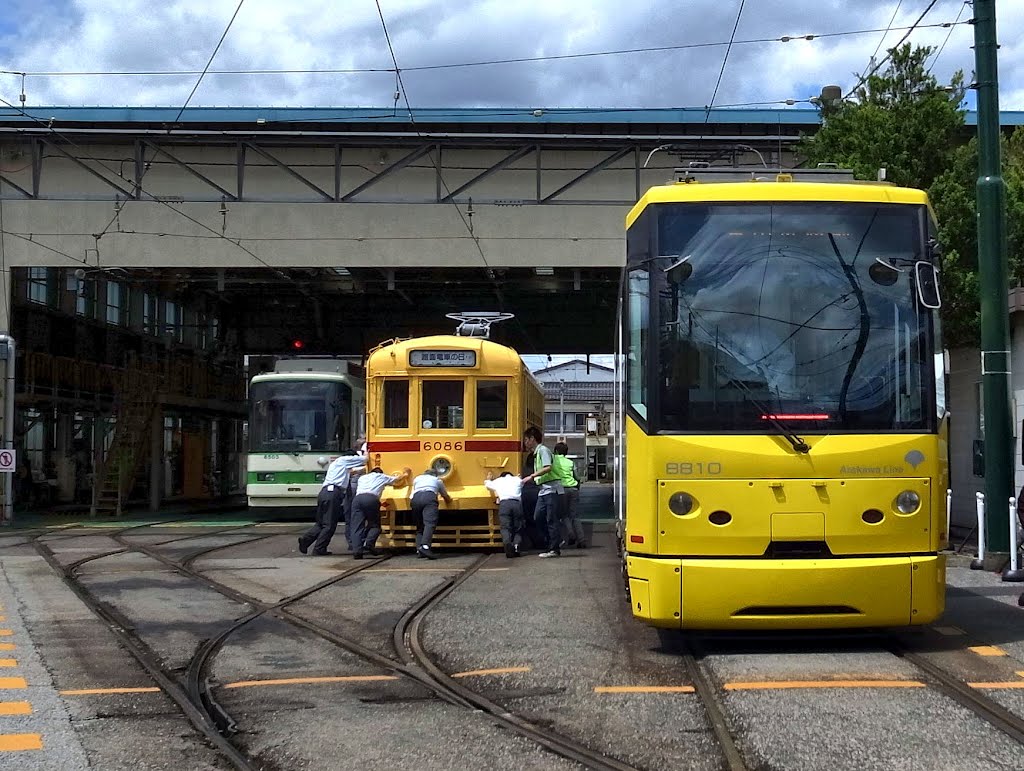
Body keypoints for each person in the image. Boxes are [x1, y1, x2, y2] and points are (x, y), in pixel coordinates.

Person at [298, 450, 366, 556]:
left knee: (321, 523)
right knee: (329, 524)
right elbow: (364, 459)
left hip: (325, 492)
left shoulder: (337, 465)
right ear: (351, 457)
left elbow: (356, 470)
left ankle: (306, 540)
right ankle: (319, 548)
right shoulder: (344, 460)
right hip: (333, 494)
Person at [350, 465, 410, 559]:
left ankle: (357, 551)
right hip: (371, 499)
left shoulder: (362, 478)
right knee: (375, 525)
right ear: (380, 472)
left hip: (357, 500)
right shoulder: (381, 477)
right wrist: (405, 474)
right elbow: (396, 479)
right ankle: (369, 543)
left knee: (357, 526)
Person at [521, 426, 562, 558]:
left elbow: (548, 468)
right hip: (543, 490)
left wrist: (531, 476)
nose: (525, 442)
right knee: (538, 517)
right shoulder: (537, 453)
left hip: (551, 489)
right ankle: (554, 541)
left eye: (526, 439)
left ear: (532, 439)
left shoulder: (543, 450)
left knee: (551, 519)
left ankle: (554, 548)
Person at [409, 469, 452, 559]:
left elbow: (412, 493)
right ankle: (425, 546)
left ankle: (419, 549)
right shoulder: (437, 480)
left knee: (420, 526)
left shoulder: (417, 479)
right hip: (429, 497)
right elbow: (444, 494)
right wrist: (449, 501)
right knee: (429, 523)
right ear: (435, 475)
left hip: (415, 499)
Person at [552, 442, 585, 549]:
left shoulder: (553, 461)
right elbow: (577, 477)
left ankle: (570, 534)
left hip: (561, 489)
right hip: (573, 488)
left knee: (564, 514)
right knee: (575, 515)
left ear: (556, 451)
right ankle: (581, 539)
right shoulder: (570, 462)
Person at [484, 471, 524, 558]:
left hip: (504, 504)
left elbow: (487, 485)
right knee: (518, 527)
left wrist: (488, 479)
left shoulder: (498, 481)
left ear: (501, 476)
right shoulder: (516, 479)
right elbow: (522, 484)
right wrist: (519, 477)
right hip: (516, 504)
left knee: (505, 528)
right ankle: (516, 545)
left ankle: (508, 545)